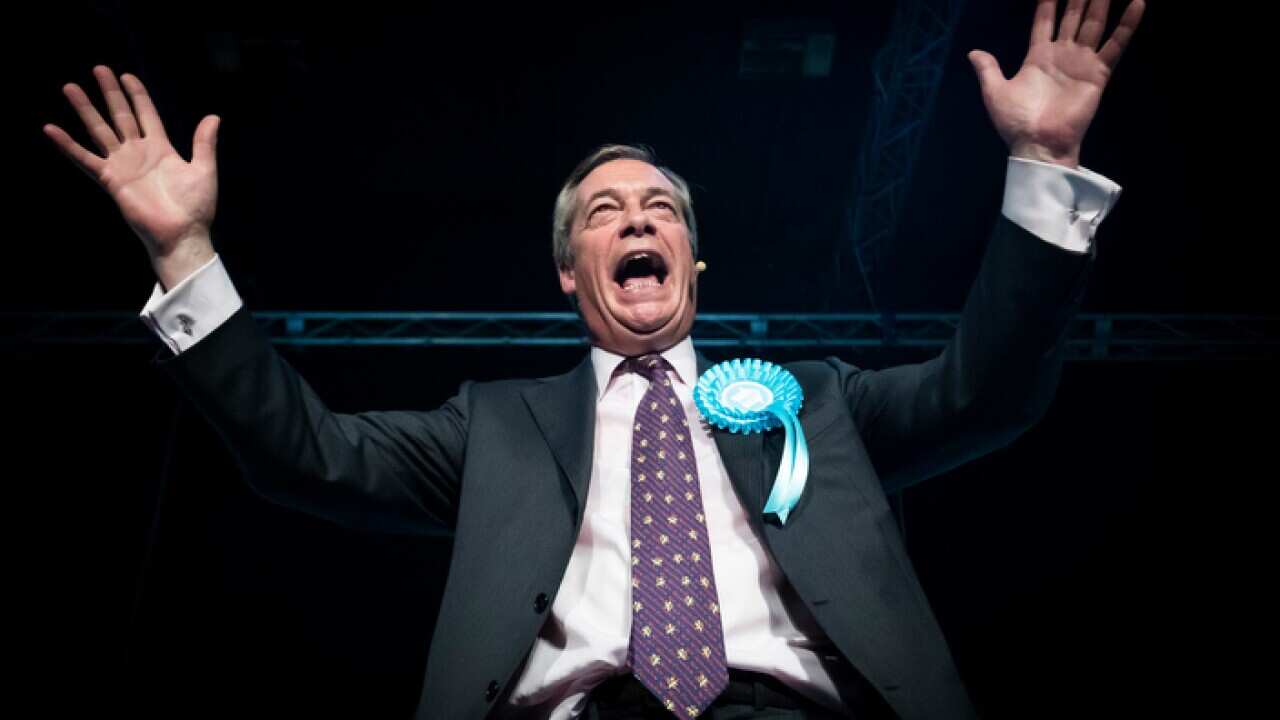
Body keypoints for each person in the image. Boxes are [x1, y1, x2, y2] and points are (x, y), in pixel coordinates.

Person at [44, 1, 1146, 717]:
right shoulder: (492, 424)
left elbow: (987, 391)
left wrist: (1043, 168)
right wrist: (185, 252)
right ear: (571, 270)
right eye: (607, 211)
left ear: (691, 260)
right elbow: (304, 454)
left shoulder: (815, 400)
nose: (638, 221)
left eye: (660, 208)